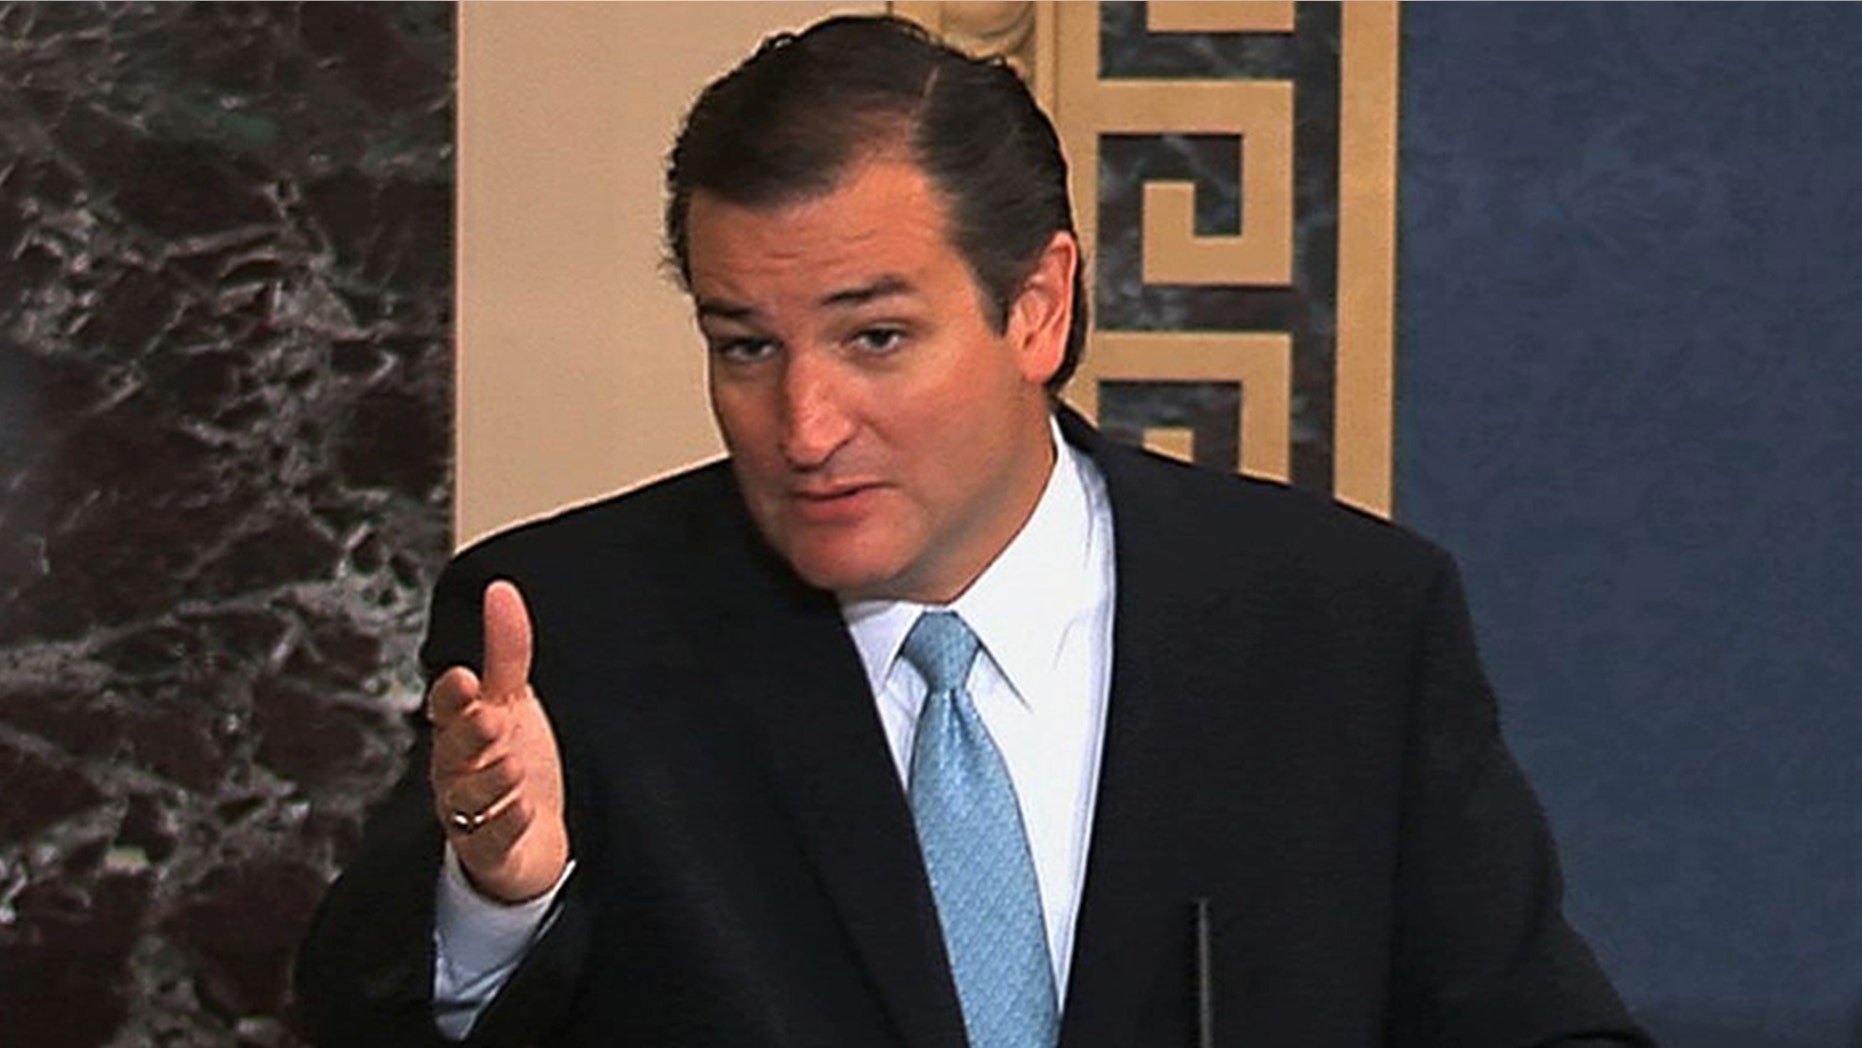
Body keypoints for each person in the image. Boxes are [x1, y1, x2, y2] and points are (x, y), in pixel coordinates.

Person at [297, 15, 1652, 1048]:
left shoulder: (1338, 620)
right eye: (744, 345)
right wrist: (499, 899)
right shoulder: (575, 629)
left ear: (1036, 307)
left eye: (874, 337)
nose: (804, 422)